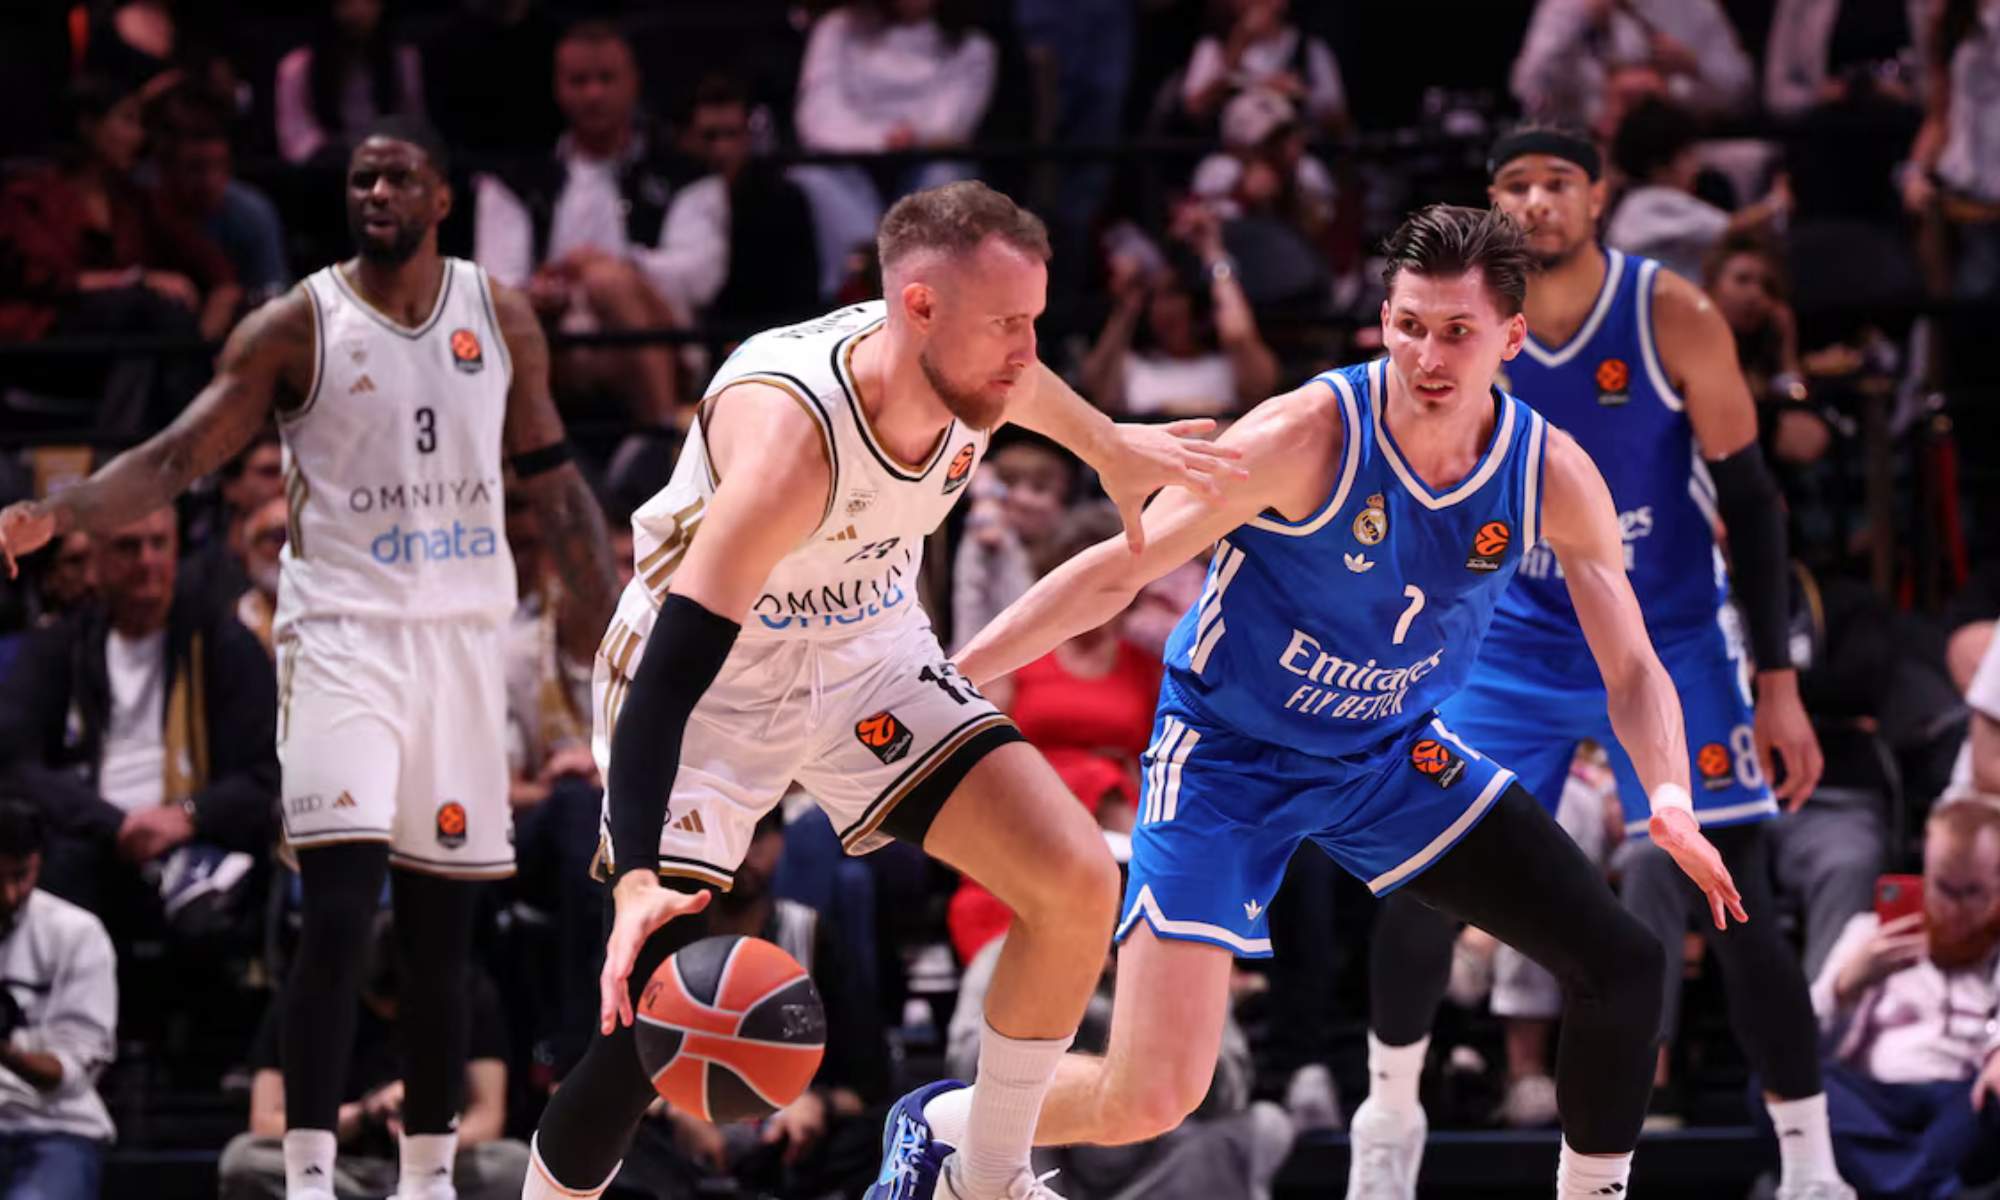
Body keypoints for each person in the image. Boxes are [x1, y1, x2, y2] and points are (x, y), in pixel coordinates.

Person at [887, 203, 1745, 1200]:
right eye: (1407, 325)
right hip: (1226, 758)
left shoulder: (1546, 472)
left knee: (1623, 962)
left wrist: (1670, 795)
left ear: (1510, 339)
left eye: (1456, 332)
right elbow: (1116, 572)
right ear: (1381, 319)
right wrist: (949, 676)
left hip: (1386, 755)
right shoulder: (1305, 434)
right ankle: (949, 1122)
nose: (1427, 354)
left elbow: (1634, 667)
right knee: (1154, 1094)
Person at [518, 180, 1234, 1200]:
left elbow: (1032, 389)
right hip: (711, 684)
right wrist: (636, 872)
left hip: (866, 651)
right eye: (1007, 325)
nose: (1026, 350)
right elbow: (670, 676)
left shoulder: (975, 364)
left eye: (1035, 319)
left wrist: (1112, 447)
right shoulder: (790, 447)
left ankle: (979, 1173)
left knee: (1075, 882)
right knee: (656, 1024)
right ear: (918, 309)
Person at [0, 117, 617, 1200]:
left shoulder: (499, 314)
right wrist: (61, 513)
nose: (374, 192)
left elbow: (556, 480)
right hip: (342, 639)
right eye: (359, 178)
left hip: (464, 643)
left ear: (442, 198)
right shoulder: (294, 325)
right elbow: (179, 453)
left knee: (441, 933)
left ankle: (428, 1178)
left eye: (397, 177)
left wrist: (612, 626)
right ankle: (308, 1178)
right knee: (337, 909)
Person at [1345, 127, 1843, 1200]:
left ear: (1598, 195)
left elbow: (1751, 501)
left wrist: (1775, 681)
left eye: (1555, 183)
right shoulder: (1459, 328)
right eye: (1513, 186)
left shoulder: (1671, 312)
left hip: (1663, 632)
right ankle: (1386, 1120)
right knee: (1422, 875)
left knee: (1734, 885)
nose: (1534, 202)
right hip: (1510, 635)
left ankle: (1809, 1165)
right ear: (1490, 203)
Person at [219, 913, 529, 1200]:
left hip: (441, 1163)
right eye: (376, 1002)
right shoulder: (307, 993)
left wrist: (426, 1127)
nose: (389, 1014)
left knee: (515, 1164)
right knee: (242, 1160)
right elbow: (265, 1121)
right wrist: (365, 1113)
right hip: (340, 1165)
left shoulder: (468, 991)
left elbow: (488, 1117)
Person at [1812, 798, 2000, 1197]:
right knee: (1776, 1084)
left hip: (1962, 1103)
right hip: (1873, 1100)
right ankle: (1921, 1186)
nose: (1955, 908)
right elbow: (1804, 1045)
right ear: (1926, 874)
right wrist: (1848, 986)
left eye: (1974, 893)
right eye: (1944, 889)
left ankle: (1895, 1182)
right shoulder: (1870, 934)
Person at [0, 798, 118, 1200]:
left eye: (21, 875)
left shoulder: (78, 934)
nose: (10, 894)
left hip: (55, 1128)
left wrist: (6, 1052)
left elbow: (71, 1076)